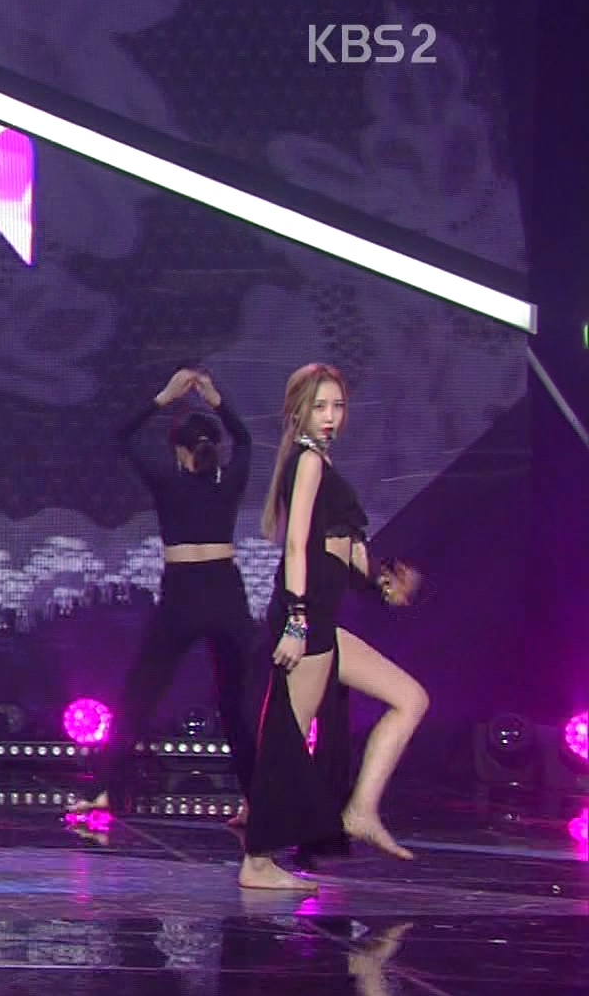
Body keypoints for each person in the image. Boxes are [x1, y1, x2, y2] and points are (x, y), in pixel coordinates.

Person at [240, 363, 427, 891]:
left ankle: (360, 810)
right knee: (287, 738)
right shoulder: (306, 461)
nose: (330, 416)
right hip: (307, 620)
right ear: (298, 411)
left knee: (410, 699)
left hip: (322, 618)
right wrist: (297, 623)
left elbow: (343, 551)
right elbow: (298, 546)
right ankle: (257, 861)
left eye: (337, 406)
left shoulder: (320, 462)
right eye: (319, 406)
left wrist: (384, 582)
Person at [69, 368, 257, 817]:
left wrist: (163, 398)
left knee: (140, 696)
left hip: (183, 597)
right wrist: (215, 399)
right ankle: (258, 800)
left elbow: (121, 437)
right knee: (238, 703)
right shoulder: (230, 479)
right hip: (226, 594)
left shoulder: (169, 480)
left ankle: (104, 789)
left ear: (177, 452)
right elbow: (247, 441)